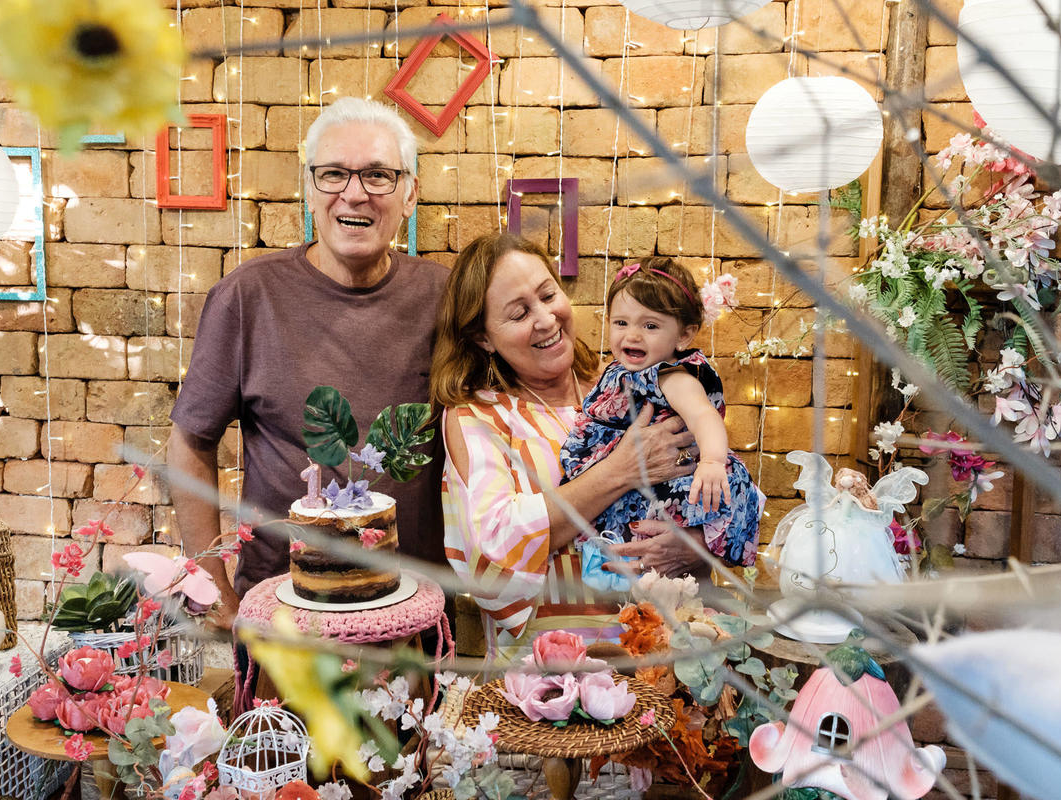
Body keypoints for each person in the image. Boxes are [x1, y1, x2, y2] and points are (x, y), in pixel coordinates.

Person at [168, 97, 449, 630]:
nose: (355, 192)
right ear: (309, 189)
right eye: (334, 174)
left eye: (379, 175)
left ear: (410, 193)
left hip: (418, 610)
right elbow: (190, 442)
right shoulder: (248, 297)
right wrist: (214, 590)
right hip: (282, 610)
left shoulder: (448, 297)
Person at [430, 233, 705, 658]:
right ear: (484, 338)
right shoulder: (479, 416)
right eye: (519, 313)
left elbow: (704, 476)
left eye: (547, 295)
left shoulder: (622, 383)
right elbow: (496, 542)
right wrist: (620, 469)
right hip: (550, 683)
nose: (545, 319)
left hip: (664, 658)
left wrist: (694, 543)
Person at [560, 257, 764, 575]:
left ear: (683, 336)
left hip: (665, 481)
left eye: (650, 326)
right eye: (621, 323)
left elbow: (703, 415)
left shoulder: (671, 376)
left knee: (654, 552)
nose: (632, 336)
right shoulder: (620, 370)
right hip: (634, 477)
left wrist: (711, 461)